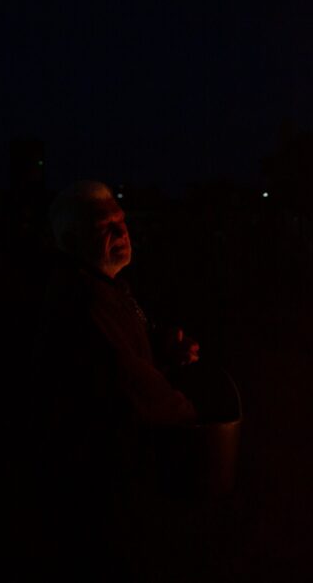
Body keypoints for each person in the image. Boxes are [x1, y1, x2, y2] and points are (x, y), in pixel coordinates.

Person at [33, 180, 197, 569]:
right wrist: (191, 412)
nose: (122, 233)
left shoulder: (105, 288)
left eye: (121, 222)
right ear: (71, 240)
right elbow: (124, 380)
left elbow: (122, 350)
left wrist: (160, 349)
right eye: (105, 227)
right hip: (97, 489)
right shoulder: (83, 300)